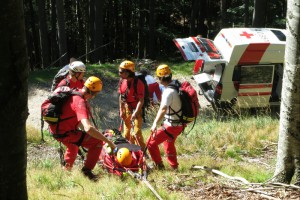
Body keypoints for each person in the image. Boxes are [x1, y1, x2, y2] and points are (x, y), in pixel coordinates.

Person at [49, 76, 116, 181]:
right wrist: (108, 141)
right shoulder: (80, 101)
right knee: (97, 142)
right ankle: (86, 172)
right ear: (94, 93)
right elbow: (87, 128)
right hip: (65, 132)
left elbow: (79, 123)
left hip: (57, 129)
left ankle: (66, 171)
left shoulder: (75, 92)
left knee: (73, 146)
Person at [146, 64, 185, 170]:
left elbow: (163, 109)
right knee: (169, 143)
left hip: (172, 125)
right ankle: (174, 167)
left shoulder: (168, 92)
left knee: (150, 143)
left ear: (161, 78)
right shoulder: (177, 85)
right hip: (180, 124)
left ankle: (159, 166)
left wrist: (155, 123)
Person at [118, 60, 146, 150]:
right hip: (127, 108)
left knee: (136, 132)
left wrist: (135, 113)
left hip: (136, 109)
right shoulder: (122, 81)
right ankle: (131, 150)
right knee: (126, 133)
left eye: (122, 71)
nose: (120, 73)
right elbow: (121, 97)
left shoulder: (138, 83)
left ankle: (143, 151)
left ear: (128, 72)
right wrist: (121, 110)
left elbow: (141, 101)